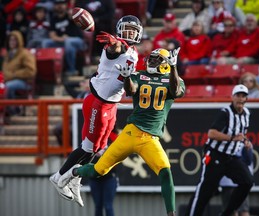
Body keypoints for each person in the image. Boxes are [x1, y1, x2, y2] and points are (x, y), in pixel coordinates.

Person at [57, 47, 186, 216]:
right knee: (98, 171)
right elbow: (132, 89)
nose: (151, 61)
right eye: (151, 58)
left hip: (150, 139)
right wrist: (126, 78)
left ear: (166, 64)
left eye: (156, 59)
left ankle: (171, 213)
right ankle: (74, 172)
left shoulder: (174, 79)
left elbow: (176, 91)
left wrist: (174, 68)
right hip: (131, 132)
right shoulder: (139, 75)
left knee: (165, 172)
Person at [49, 15, 143, 207]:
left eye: (133, 30)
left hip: (111, 104)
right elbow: (114, 49)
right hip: (98, 104)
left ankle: (76, 179)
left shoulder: (133, 51)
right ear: (119, 30)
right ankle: (59, 177)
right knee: (88, 147)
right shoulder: (118, 46)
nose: (129, 33)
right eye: (127, 29)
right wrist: (114, 44)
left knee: (99, 147)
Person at [186, 84, 254, 216]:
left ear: (246, 99)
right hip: (216, 155)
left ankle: (227, 213)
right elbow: (211, 133)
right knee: (205, 192)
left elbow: (241, 133)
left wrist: (245, 141)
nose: (240, 99)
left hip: (231, 157)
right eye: (238, 96)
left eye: (243, 96)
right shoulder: (225, 112)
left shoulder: (246, 114)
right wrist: (232, 138)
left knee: (247, 182)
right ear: (232, 97)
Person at [42, 0, 86, 76]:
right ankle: (49, 70)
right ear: (54, 6)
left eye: (62, 4)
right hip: (62, 41)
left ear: (66, 5)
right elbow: (52, 35)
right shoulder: (53, 19)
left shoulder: (70, 15)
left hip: (78, 40)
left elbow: (78, 18)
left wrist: (71, 10)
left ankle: (72, 70)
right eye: (58, 4)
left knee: (68, 42)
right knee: (45, 42)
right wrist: (62, 38)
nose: (60, 6)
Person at [2, 30, 37, 113]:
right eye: (10, 40)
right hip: (8, 80)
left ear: (19, 41)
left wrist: (14, 75)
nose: (12, 42)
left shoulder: (25, 54)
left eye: (14, 40)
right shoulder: (7, 55)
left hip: (24, 82)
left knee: (8, 86)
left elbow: (31, 71)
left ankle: (12, 109)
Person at [219, 144, 254, 216]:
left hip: (242, 183)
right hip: (228, 183)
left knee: (243, 210)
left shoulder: (245, 142)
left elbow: (248, 160)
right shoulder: (222, 142)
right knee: (232, 211)